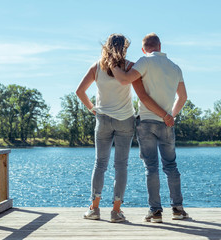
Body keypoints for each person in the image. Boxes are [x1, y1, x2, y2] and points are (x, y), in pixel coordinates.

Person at [112, 33, 188, 223]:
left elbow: (125, 80)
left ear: (143, 49)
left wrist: (112, 65)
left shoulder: (144, 61)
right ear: (160, 46)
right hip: (166, 124)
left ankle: (155, 212)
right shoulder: (175, 67)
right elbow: (183, 97)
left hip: (146, 122)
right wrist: (171, 115)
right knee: (171, 166)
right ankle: (178, 209)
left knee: (151, 167)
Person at [76, 33, 135, 223]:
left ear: (106, 46)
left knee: (100, 164)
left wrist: (93, 109)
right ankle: (116, 211)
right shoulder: (129, 66)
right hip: (125, 120)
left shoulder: (97, 66)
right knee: (121, 166)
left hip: (102, 120)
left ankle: (94, 209)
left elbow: (80, 91)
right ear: (124, 47)